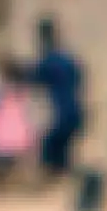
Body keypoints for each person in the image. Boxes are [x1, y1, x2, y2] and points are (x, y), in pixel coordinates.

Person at [26, 16, 88, 179]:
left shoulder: (47, 61)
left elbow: (32, 79)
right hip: (77, 111)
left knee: (50, 152)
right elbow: (79, 77)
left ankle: (62, 185)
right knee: (61, 153)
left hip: (63, 114)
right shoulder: (67, 58)